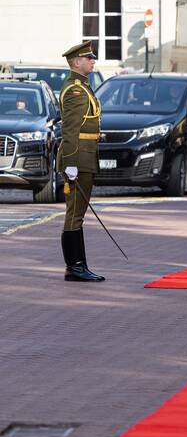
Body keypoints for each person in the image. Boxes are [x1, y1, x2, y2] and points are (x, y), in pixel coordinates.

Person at [58, 40, 105, 282]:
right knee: (75, 214)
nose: (92, 60)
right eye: (89, 57)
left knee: (78, 213)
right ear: (77, 62)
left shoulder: (83, 87)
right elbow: (70, 131)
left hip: (85, 156)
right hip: (79, 159)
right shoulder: (76, 90)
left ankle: (78, 265)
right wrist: (71, 163)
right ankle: (75, 267)